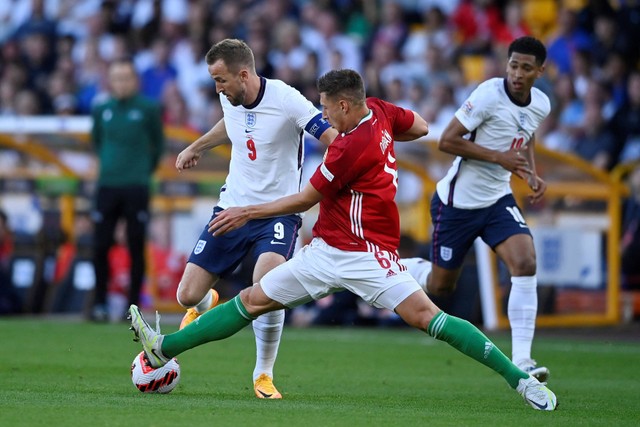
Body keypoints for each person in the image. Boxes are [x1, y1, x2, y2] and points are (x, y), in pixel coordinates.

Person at [128, 68, 557, 411]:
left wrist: (246, 212)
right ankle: (163, 349)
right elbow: (423, 126)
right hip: (325, 252)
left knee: (429, 318)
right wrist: (388, 140)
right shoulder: (382, 112)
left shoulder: (347, 149)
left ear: (347, 105)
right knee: (253, 300)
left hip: (364, 257)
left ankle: (519, 379)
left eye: (328, 109)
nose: (324, 117)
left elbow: (305, 198)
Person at [171, 38, 337, 399]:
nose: (217, 88)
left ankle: (263, 374)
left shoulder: (287, 100)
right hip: (232, 208)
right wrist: (195, 146)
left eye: (221, 80)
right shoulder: (229, 97)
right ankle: (206, 304)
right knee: (186, 295)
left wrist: (341, 175)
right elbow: (230, 124)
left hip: (278, 214)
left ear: (243, 74)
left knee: (267, 286)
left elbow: (331, 137)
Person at [403, 36, 551, 381]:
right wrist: (500, 157)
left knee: (525, 262)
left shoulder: (541, 104)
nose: (517, 73)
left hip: (497, 200)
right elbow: (447, 141)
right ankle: (401, 268)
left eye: (526, 68)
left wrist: (529, 171)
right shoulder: (487, 94)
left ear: (539, 72)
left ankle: (524, 360)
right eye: (513, 65)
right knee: (441, 287)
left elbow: (525, 134)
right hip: (457, 203)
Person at [90, 58, 165, 322]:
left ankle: (131, 307)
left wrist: (142, 171)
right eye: (116, 78)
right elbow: (97, 141)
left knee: (135, 245)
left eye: (126, 77)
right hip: (107, 185)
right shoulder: (102, 109)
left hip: (136, 186)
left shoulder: (148, 108)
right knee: (99, 244)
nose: (121, 83)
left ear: (135, 81)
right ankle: (99, 303)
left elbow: (158, 144)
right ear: (110, 81)